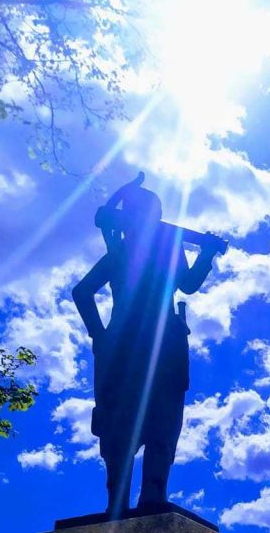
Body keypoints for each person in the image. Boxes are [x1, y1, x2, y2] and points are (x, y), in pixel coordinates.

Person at [72, 174, 223, 515]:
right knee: (140, 420)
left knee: (157, 418)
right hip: (142, 343)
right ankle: (131, 497)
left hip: (151, 344)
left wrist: (101, 334)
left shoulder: (154, 249)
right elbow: (82, 292)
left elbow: (187, 285)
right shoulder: (140, 251)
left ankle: (141, 495)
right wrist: (100, 334)